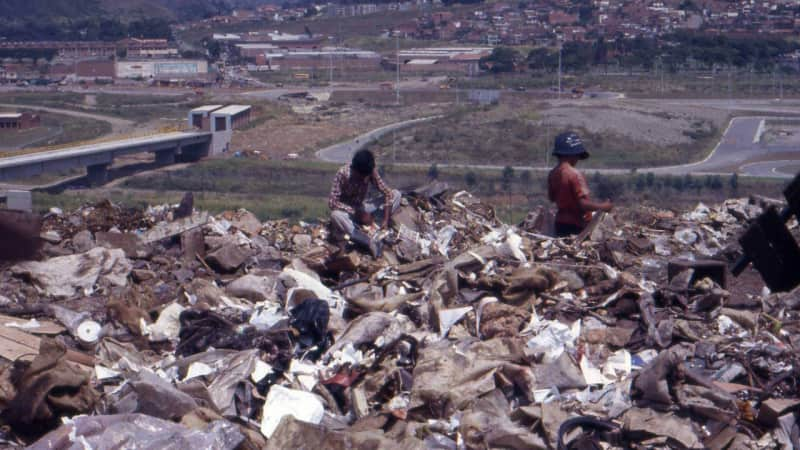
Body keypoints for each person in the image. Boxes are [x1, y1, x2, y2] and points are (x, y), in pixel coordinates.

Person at [329, 149, 401, 257]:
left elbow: (387, 193)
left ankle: (378, 224)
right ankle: (367, 241)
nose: (364, 179)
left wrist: (385, 220)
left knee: (396, 194)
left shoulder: (370, 171)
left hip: (363, 207)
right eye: (361, 176)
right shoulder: (343, 174)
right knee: (335, 215)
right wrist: (356, 213)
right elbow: (332, 202)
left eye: (366, 177)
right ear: (355, 169)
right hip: (349, 213)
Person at [547, 131, 613, 237]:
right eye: (577, 155)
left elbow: (552, 198)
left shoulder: (553, 174)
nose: (578, 159)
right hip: (576, 225)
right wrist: (603, 206)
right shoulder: (574, 174)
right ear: (573, 154)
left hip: (559, 223)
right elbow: (583, 204)